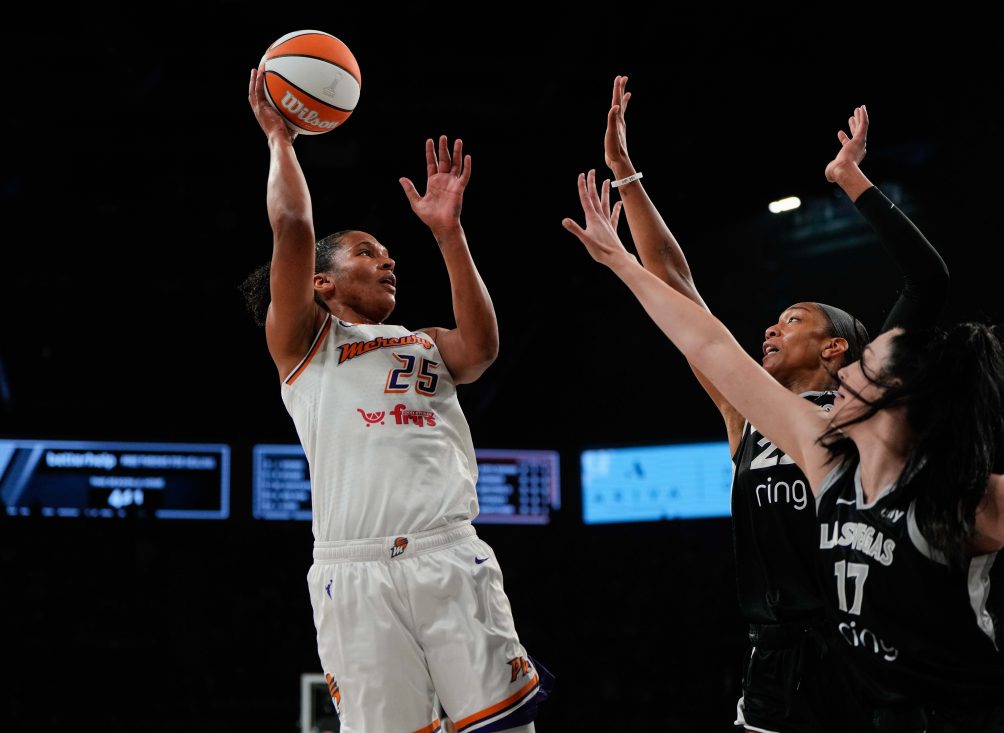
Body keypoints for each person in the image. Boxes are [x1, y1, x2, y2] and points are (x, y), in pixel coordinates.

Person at [563, 159, 1004, 731]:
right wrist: (627, 181)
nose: (771, 328)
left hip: (870, 650)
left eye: (793, 320)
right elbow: (689, 309)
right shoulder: (761, 417)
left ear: (838, 350)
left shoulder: (866, 432)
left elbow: (927, 282)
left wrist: (853, 181)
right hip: (778, 651)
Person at [242, 69, 549, 733]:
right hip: (352, 572)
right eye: (367, 252)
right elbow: (293, 224)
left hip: (447, 554)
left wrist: (448, 234)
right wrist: (281, 140)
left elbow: (482, 346)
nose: (388, 262)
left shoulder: (425, 341)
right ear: (322, 282)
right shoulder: (303, 342)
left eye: (389, 255)